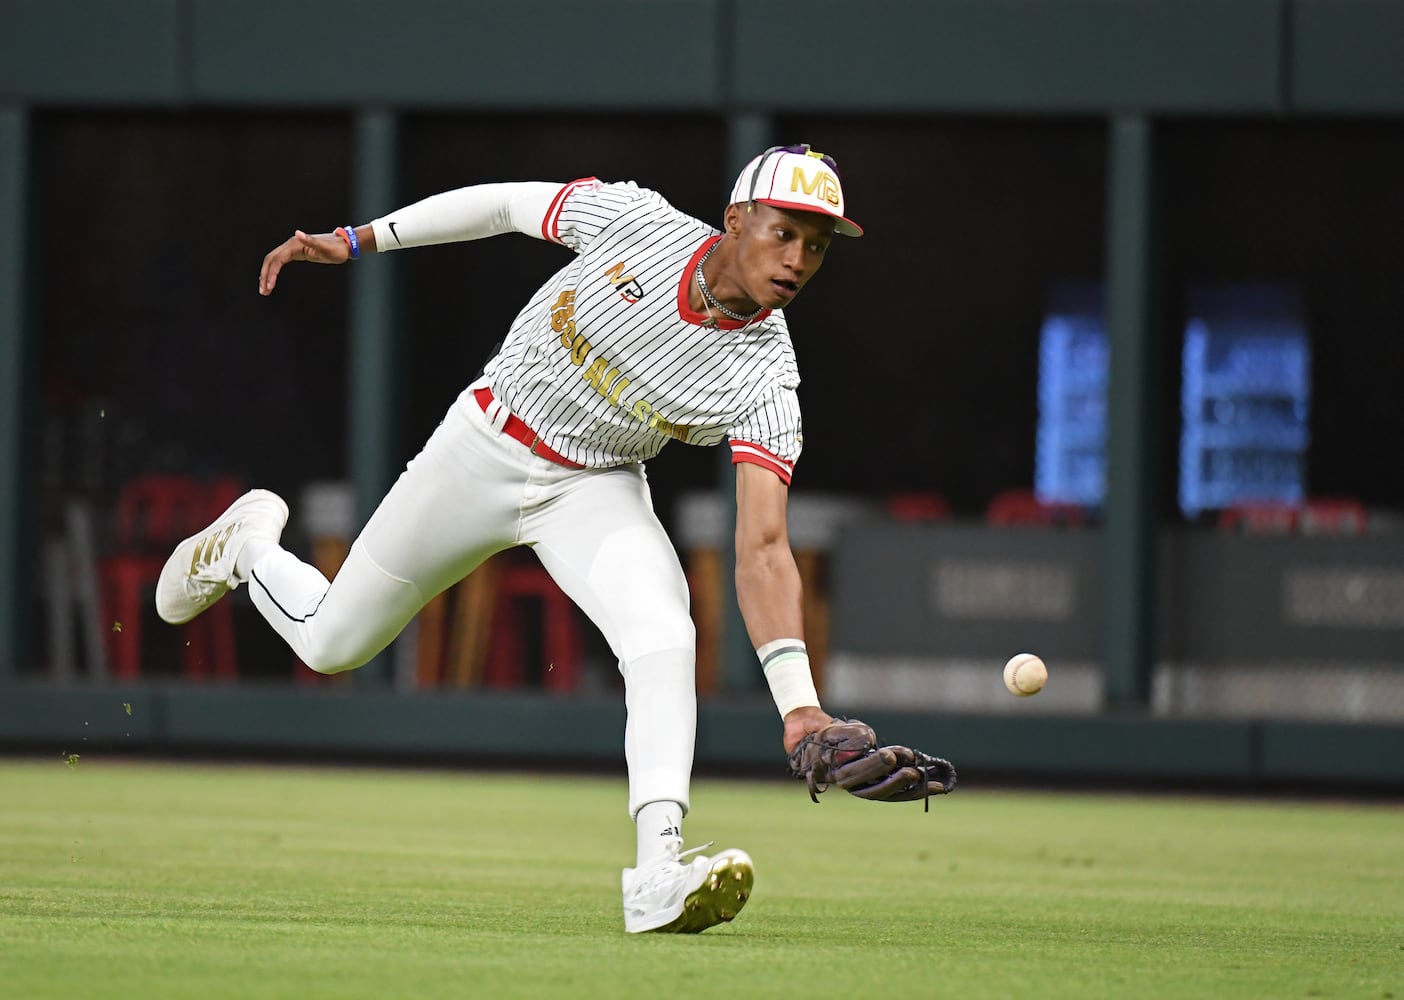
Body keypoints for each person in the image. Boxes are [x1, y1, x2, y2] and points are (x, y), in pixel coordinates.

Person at [156, 143, 863, 934]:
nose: (798, 259)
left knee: (662, 631)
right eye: (785, 233)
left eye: (818, 246)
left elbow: (764, 549)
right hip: (485, 443)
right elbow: (499, 205)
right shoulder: (637, 221)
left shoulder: (768, 377)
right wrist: (359, 239)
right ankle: (250, 545)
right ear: (736, 220)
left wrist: (800, 709)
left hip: (593, 486)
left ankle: (659, 873)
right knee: (331, 646)